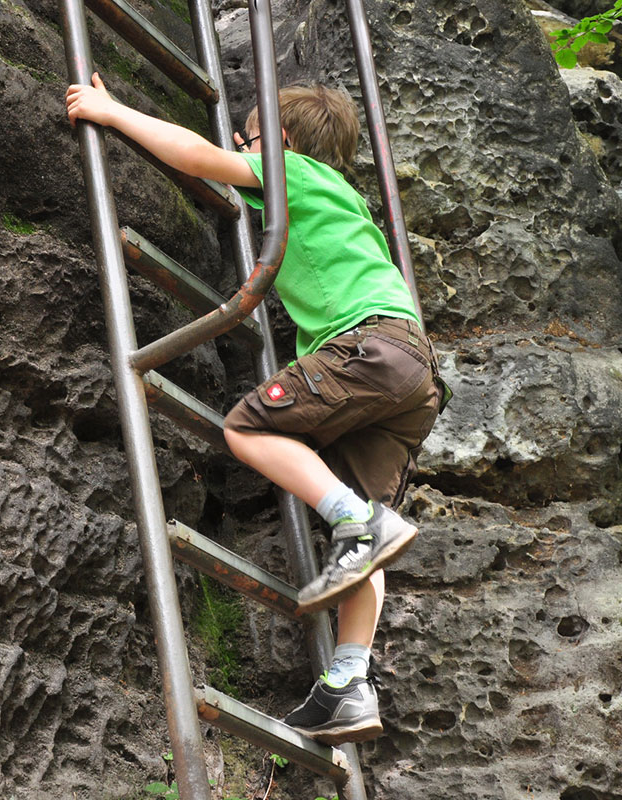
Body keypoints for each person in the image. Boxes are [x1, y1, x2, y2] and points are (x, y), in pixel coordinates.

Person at [66, 74, 449, 745]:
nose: (240, 152)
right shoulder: (347, 200)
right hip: (410, 369)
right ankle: (349, 683)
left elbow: (194, 157)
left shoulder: (291, 171)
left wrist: (112, 108)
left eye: (247, 141)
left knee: (248, 428)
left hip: (370, 347)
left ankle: (359, 526)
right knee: (361, 538)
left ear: (280, 141)